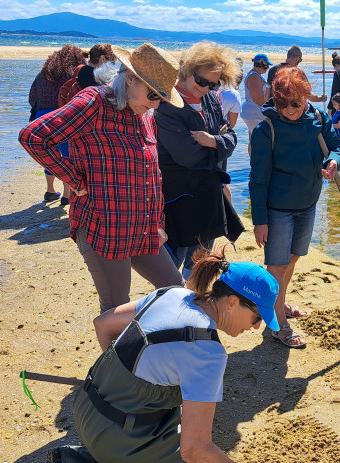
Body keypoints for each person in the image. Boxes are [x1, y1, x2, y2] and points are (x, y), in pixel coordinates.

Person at [45, 248, 296, 463]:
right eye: (257, 317)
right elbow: (195, 451)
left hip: (86, 407)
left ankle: (75, 459)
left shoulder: (172, 293)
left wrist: (124, 378)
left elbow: (103, 323)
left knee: (178, 421)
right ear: (231, 302)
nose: (256, 327)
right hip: (113, 437)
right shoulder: (207, 351)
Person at [19, 43, 186, 314]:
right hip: (104, 224)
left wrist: (157, 222)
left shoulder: (144, 114)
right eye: (153, 94)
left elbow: (151, 175)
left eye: (162, 98)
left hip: (142, 226)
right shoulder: (94, 102)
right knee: (116, 307)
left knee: (176, 289)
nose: (155, 104)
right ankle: (118, 357)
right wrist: (75, 180)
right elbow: (34, 137)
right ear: (130, 78)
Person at [248, 67, 340, 347]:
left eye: (296, 103)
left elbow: (339, 148)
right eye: (282, 103)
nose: (289, 109)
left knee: (292, 259)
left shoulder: (318, 118)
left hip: (308, 204)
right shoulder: (266, 129)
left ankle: (278, 303)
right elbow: (257, 180)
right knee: (276, 266)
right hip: (277, 209)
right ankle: (277, 322)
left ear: (306, 97)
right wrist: (259, 221)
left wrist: (334, 162)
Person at [156, 41, 240, 280]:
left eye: (214, 84)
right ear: (186, 70)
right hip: (178, 197)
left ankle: (194, 309)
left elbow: (232, 137)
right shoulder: (167, 102)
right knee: (171, 270)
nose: (206, 88)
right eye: (202, 81)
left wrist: (214, 142)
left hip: (208, 196)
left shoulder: (212, 99)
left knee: (200, 266)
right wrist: (221, 143)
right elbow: (187, 156)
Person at [28, 44, 85, 205]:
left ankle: (50, 190)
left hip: (42, 117)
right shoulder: (73, 74)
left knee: (50, 156)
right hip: (63, 117)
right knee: (67, 156)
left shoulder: (43, 74)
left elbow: (32, 97)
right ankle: (67, 195)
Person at [239, 53, 272, 137]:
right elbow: (257, 97)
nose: (267, 68)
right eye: (267, 65)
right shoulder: (254, 76)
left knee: (254, 139)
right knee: (261, 138)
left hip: (253, 113)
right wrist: (268, 109)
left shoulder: (255, 75)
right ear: (261, 64)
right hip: (254, 113)